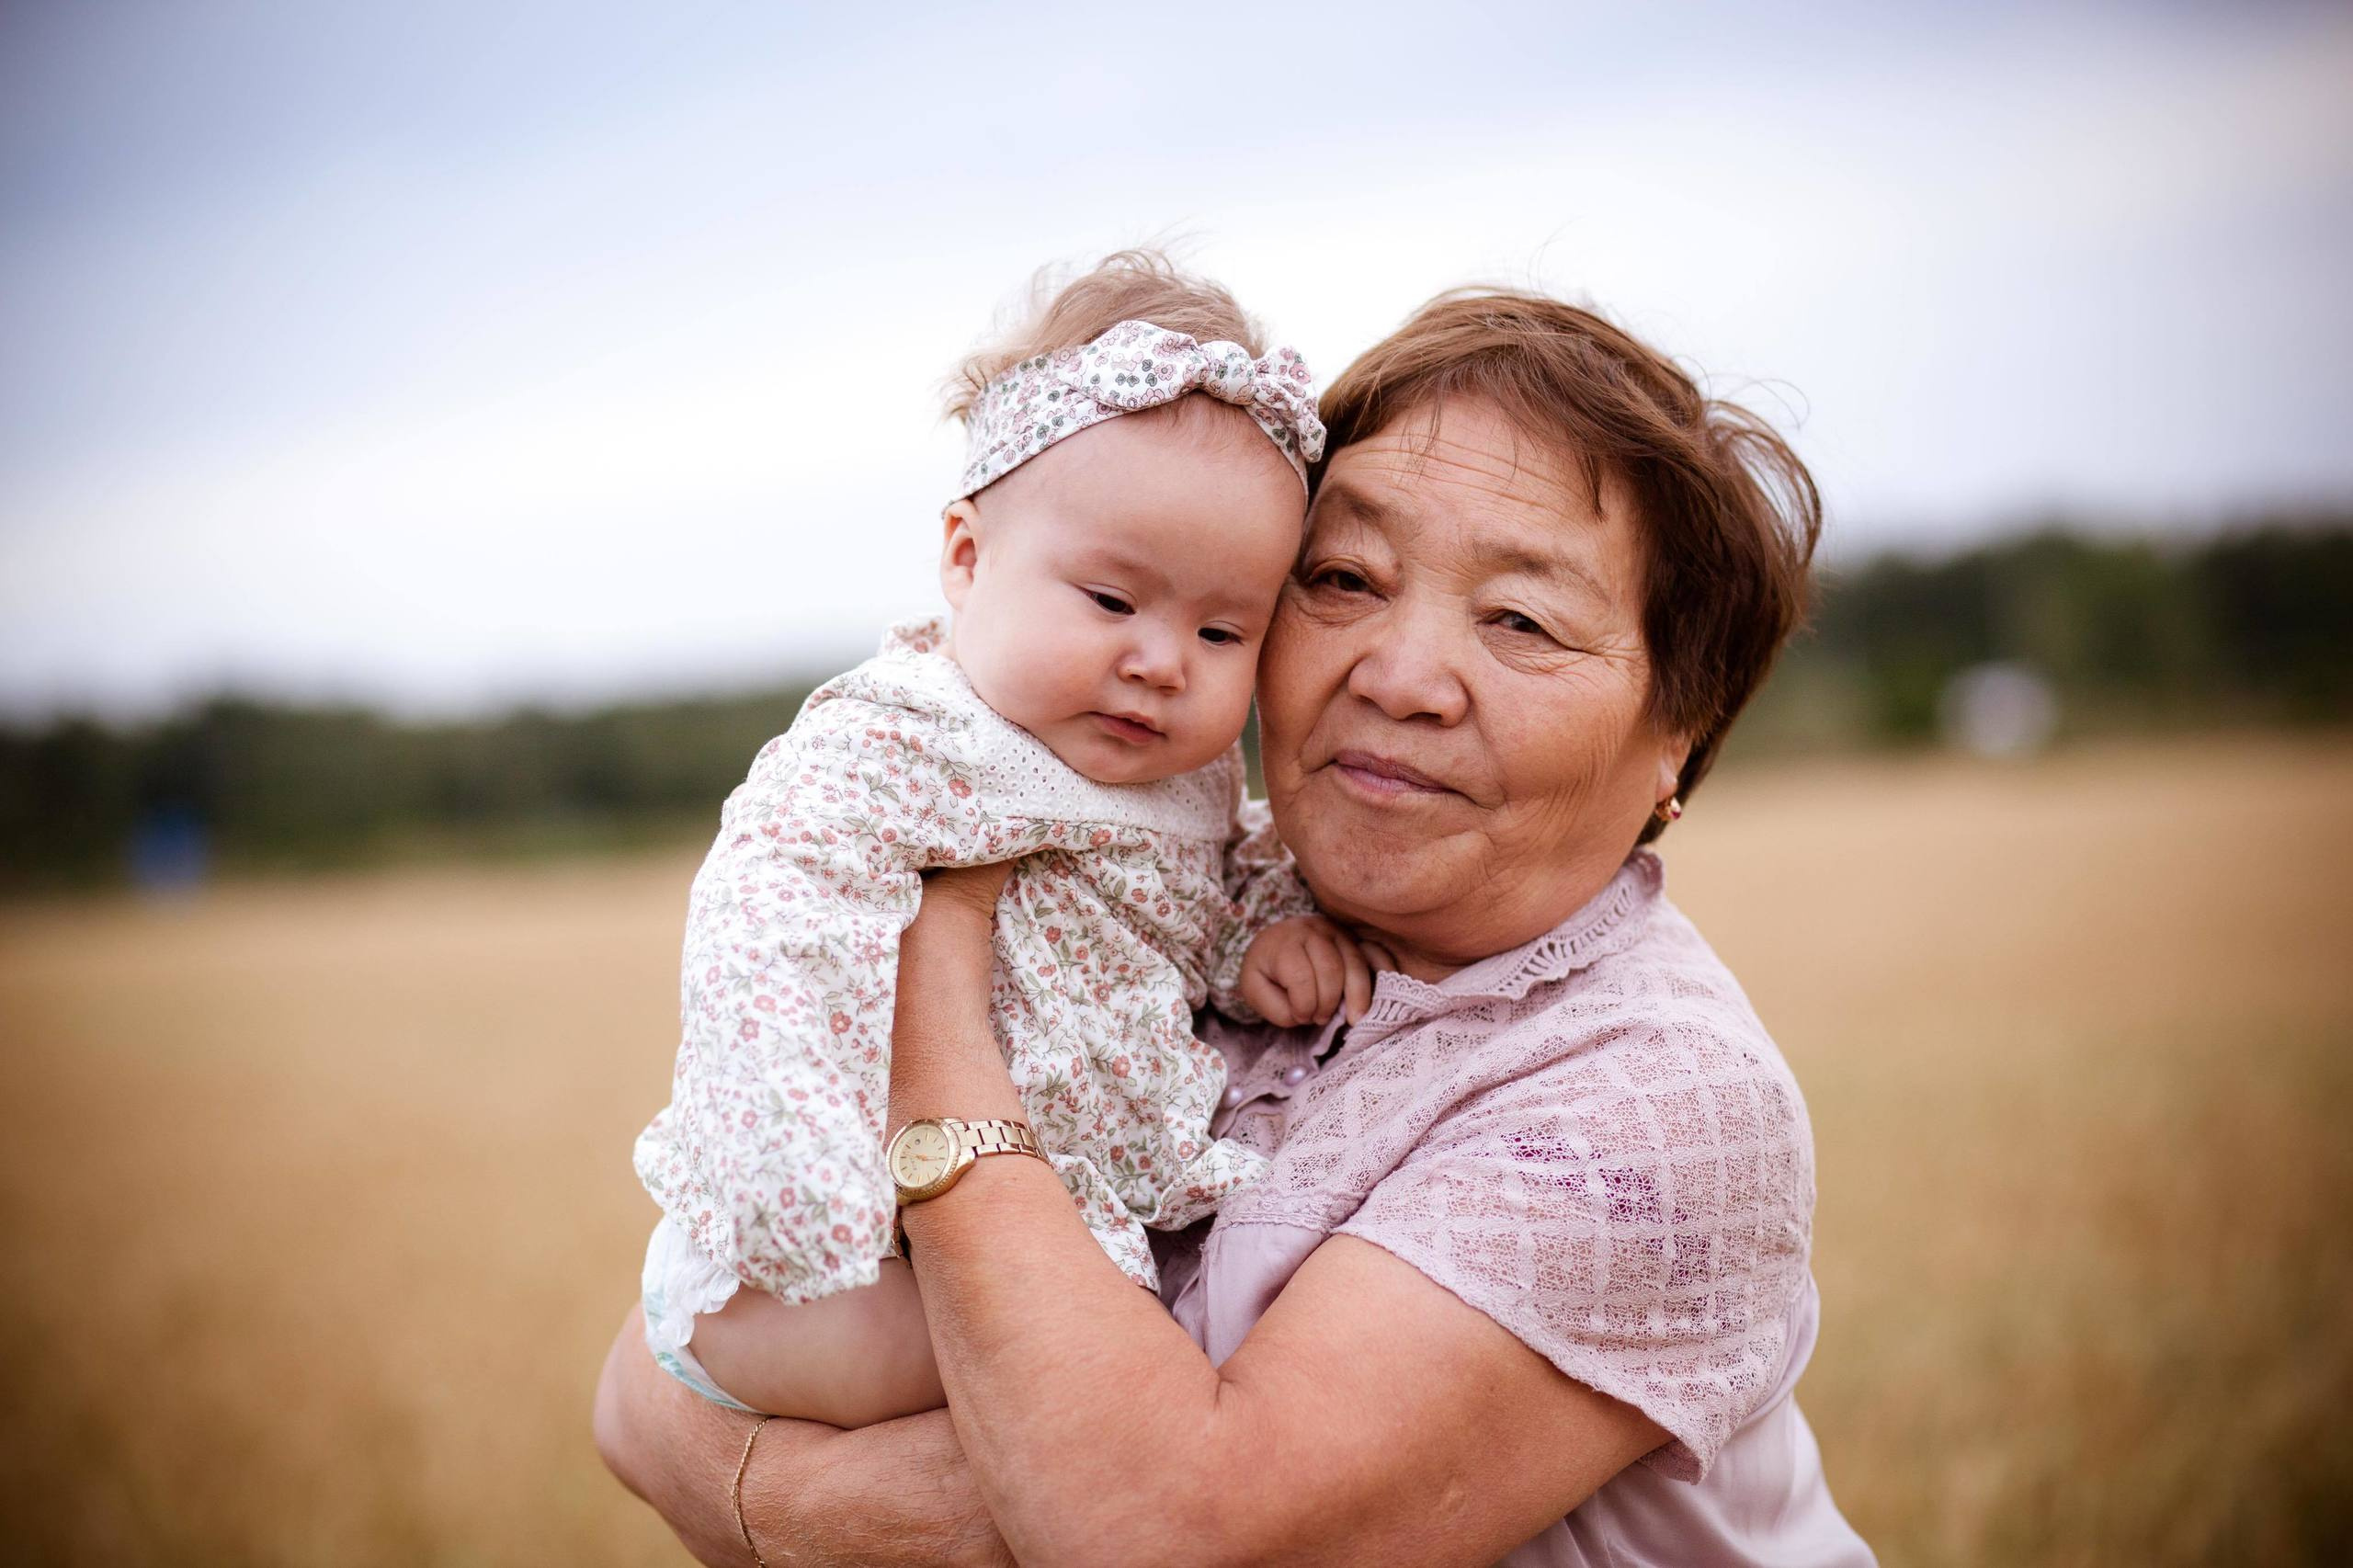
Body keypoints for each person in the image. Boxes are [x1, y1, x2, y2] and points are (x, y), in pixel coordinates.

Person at [597, 286, 1877, 1567]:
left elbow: (1166, 1533)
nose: (1399, 674)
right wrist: (806, 1499)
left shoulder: (1654, 1101)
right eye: (1343, 578)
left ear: (1679, 738)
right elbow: (645, 1378)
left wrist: (935, 974)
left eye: (1521, 621)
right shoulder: (1174, 894)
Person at [631, 251, 1378, 1426]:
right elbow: (771, 905)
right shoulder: (910, 734)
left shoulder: (1178, 769)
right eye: (1111, 601)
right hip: (849, 1246)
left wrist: (1252, 937)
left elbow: (1193, 883)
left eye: (1223, 629)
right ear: (968, 559)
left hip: (1046, 1212)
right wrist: (793, 1164)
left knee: (1100, 1386)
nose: (1160, 659)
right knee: (1062, 1401)